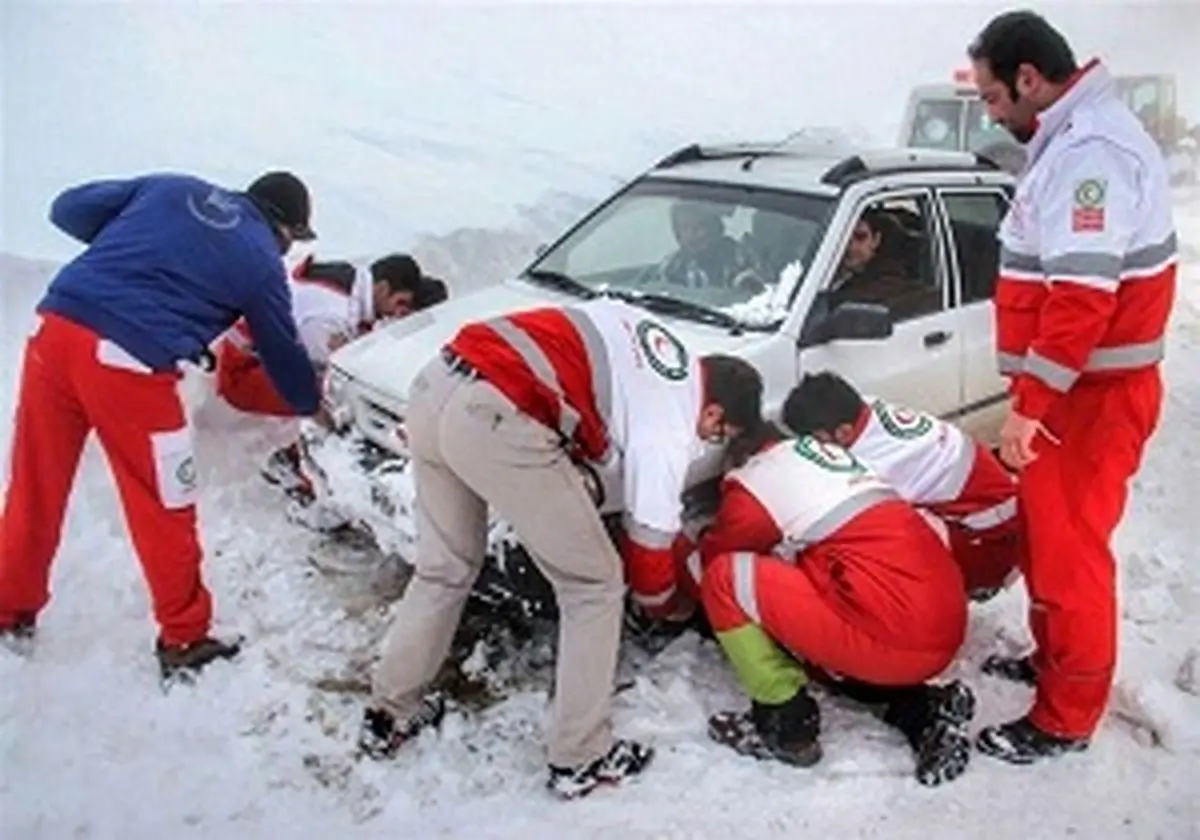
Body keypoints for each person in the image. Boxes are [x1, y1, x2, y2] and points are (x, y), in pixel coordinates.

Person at [356, 296, 762, 800]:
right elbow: (649, 543)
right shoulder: (672, 422)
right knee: (595, 584)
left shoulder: (654, 344)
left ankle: (389, 713)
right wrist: (664, 606)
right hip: (497, 413)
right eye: (718, 434)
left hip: (436, 385)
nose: (709, 441)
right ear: (715, 411)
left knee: (445, 569)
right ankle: (580, 756)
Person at [0, 170, 323, 680]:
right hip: (127, 362)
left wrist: (144, 248)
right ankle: (184, 637)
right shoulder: (261, 261)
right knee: (164, 501)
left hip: (54, 332)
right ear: (284, 228)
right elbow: (281, 354)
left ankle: (8, 611)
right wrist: (315, 401)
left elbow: (67, 209)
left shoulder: (173, 188)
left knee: (35, 486)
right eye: (292, 241)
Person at [967, 10, 1177, 763]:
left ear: (1029, 79)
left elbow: (1081, 300)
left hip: (1091, 399)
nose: (992, 115)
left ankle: (1067, 716)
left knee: (1070, 556)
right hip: (1075, 393)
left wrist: (1031, 407)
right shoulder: (1073, 140)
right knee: (1045, 541)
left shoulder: (1092, 154)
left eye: (993, 98)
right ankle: (1054, 661)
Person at [675, 417, 976, 787]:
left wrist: (677, 556)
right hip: (940, 623)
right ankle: (924, 712)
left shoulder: (756, 480)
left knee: (727, 578)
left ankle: (786, 726)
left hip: (894, 636)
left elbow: (713, 565)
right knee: (813, 637)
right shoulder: (840, 466)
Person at [215, 252, 449, 493]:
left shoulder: (353, 286)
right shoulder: (332, 316)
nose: (396, 313)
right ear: (382, 288)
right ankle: (297, 469)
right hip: (243, 371)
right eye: (399, 303)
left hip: (258, 353)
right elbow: (313, 376)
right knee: (337, 400)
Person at [781, 371, 1023, 601]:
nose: (813, 447)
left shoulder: (881, 463)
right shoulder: (866, 409)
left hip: (992, 542)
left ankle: (959, 588)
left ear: (843, 432)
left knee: (873, 545)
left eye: (817, 440)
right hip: (996, 510)